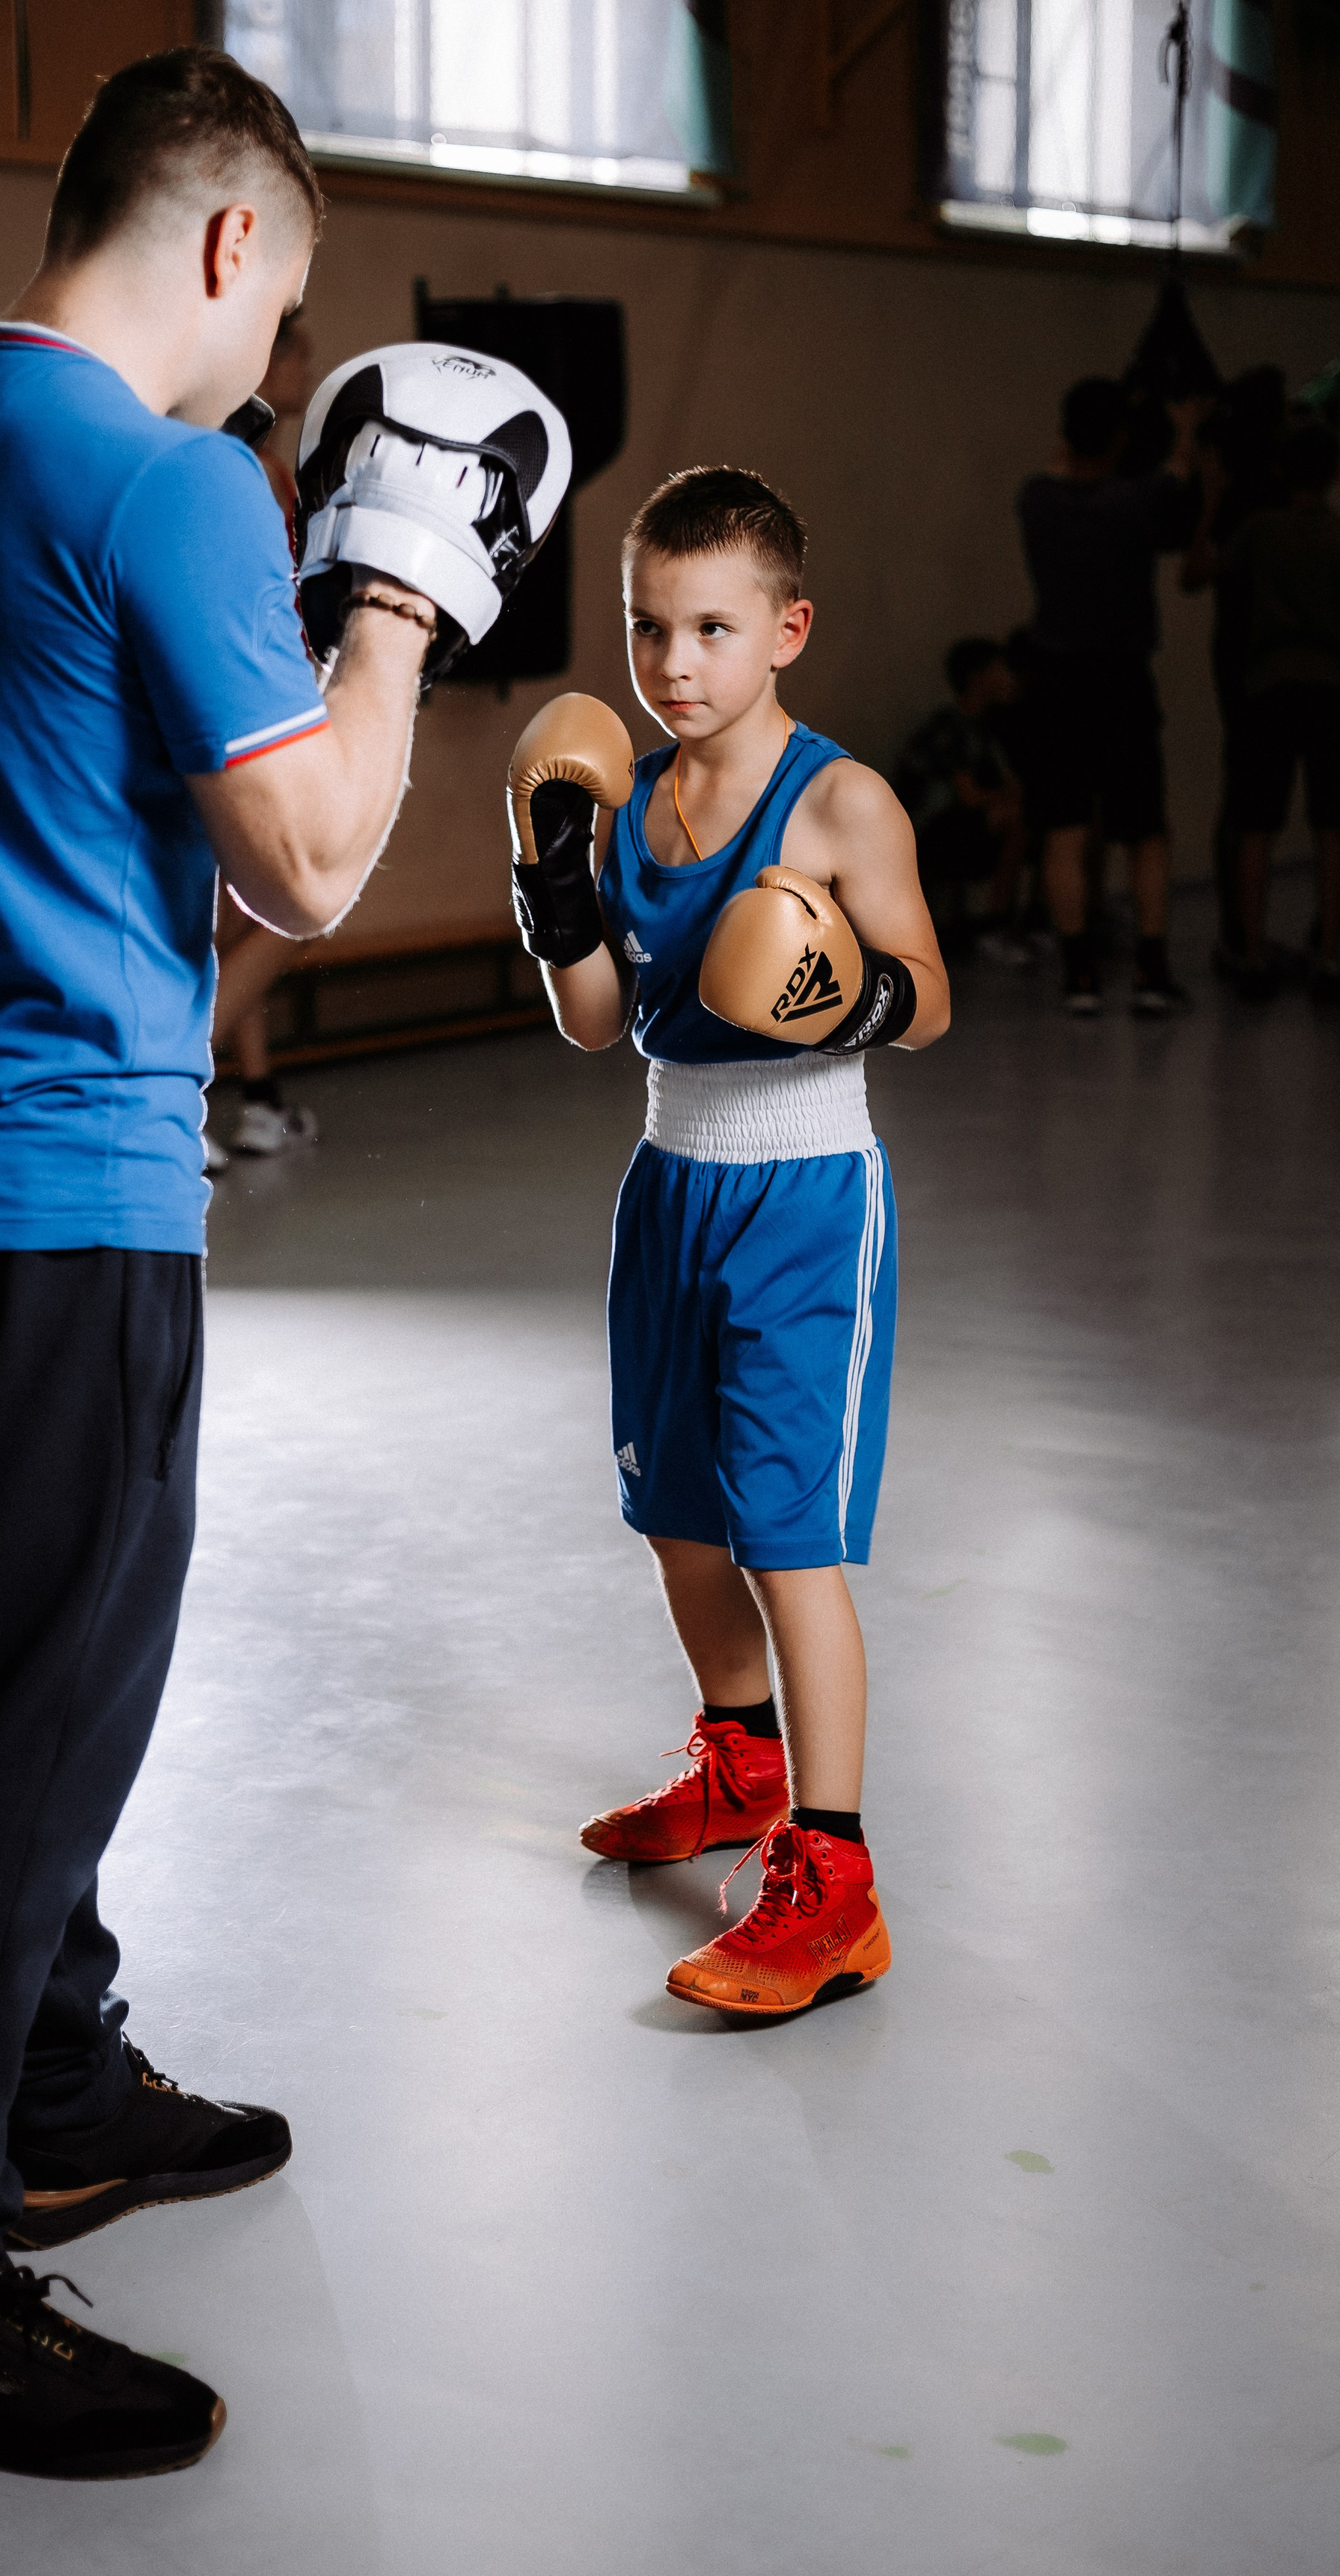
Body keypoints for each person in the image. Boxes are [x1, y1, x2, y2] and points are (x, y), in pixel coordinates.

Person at [0, 49, 449, 2479]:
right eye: (292, 309)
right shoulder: (168, 486)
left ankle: (53, 2070)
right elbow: (317, 865)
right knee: (18, 1720)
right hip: (68, 1186)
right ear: (235, 240)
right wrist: (387, 596)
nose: (278, 368)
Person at [509, 466, 949, 2016]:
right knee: (676, 1513)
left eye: (709, 626)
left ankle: (833, 1880)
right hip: (668, 1178)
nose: (672, 662)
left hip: (805, 1194)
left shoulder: (837, 802)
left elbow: (927, 992)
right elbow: (591, 1025)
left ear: (784, 629)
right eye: (647, 628)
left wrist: (847, 983)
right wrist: (554, 894)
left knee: (785, 1537)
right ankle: (737, 1760)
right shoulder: (622, 801)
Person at [1016, 374, 1205, 1017]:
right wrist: (1181, 430)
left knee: (1065, 829)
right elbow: (1178, 471)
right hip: (1121, 680)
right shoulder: (1138, 501)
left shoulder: (1038, 500)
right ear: (1120, 437)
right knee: (1145, 830)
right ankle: (1151, 971)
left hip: (1056, 680)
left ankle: (1080, 976)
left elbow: (1060, 467)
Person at [211, 308, 320, 1163]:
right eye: (296, 344)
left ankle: (255, 1098)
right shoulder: (249, 472)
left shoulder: (236, 465)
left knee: (226, 920)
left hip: (221, 713)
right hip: (243, 717)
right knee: (302, 902)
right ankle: (169, 1094)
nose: (308, 361)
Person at [1214, 417, 1340, 1002]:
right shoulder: (1335, 534)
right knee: (1332, 827)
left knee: (1258, 824)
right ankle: (1332, 952)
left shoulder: (1260, 530)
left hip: (1269, 684)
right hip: (1331, 685)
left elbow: (1210, 576)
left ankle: (1254, 949)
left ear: (1281, 470)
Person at [1179, 366, 1288, 979]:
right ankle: (1259, 939)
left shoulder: (1238, 492)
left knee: (1245, 806)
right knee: (1268, 810)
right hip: (1274, 664)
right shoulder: (1280, 488)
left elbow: (1194, 575)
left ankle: (1240, 938)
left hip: (1245, 663)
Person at [892, 637, 1029, 958]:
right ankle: (994, 925)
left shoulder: (986, 728)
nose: (1009, 677)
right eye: (1001, 669)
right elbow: (968, 797)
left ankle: (1011, 922)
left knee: (1033, 814)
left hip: (954, 826)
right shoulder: (950, 727)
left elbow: (1011, 785)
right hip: (923, 834)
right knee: (1018, 817)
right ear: (977, 676)